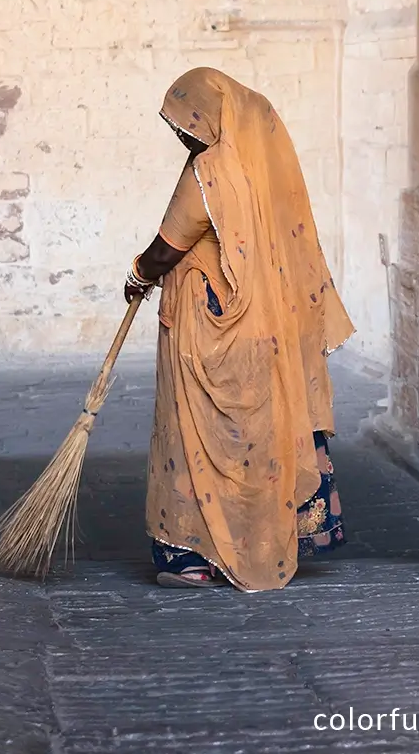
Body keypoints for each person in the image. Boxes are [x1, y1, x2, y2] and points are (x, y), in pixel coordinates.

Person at [124, 68, 354, 590]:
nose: (182, 136)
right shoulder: (265, 169)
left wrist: (136, 274)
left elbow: (167, 247)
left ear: (209, 119)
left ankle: (191, 554)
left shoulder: (207, 173)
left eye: (186, 124)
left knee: (198, 442)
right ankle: (263, 541)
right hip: (264, 331)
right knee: (257, 441)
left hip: (210, 328)